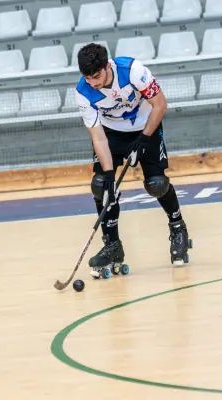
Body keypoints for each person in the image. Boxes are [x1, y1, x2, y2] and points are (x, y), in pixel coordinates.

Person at [74, 43, 192, 277]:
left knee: (156, 184)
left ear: (107, 66)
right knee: (101, 186)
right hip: (111, 133)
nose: (93, 83)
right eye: (87, 78)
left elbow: (160, 104)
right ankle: (112, 244)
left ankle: (178, 228)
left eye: (96, 76)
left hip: (145, 126)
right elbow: (98, 137)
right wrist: (108, 176)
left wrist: (144, 139)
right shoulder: (83, 92)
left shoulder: (133, 71)